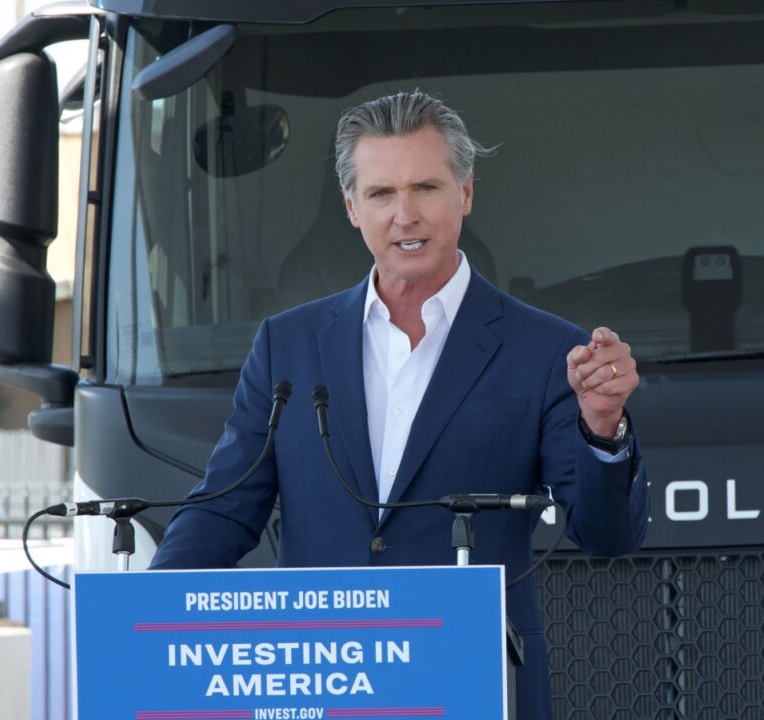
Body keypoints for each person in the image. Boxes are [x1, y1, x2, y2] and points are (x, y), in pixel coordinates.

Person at [150, 90, 650, 718]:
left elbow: (607, 537)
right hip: (322, 689)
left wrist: (603, 428)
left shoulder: (547, 350)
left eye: (426, 188)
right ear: (352, 208)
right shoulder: (288, 344)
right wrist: (144, 621)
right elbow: (223, 511)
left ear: (465, 194)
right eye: (382, 194)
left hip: (475, 690)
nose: (404, 215)